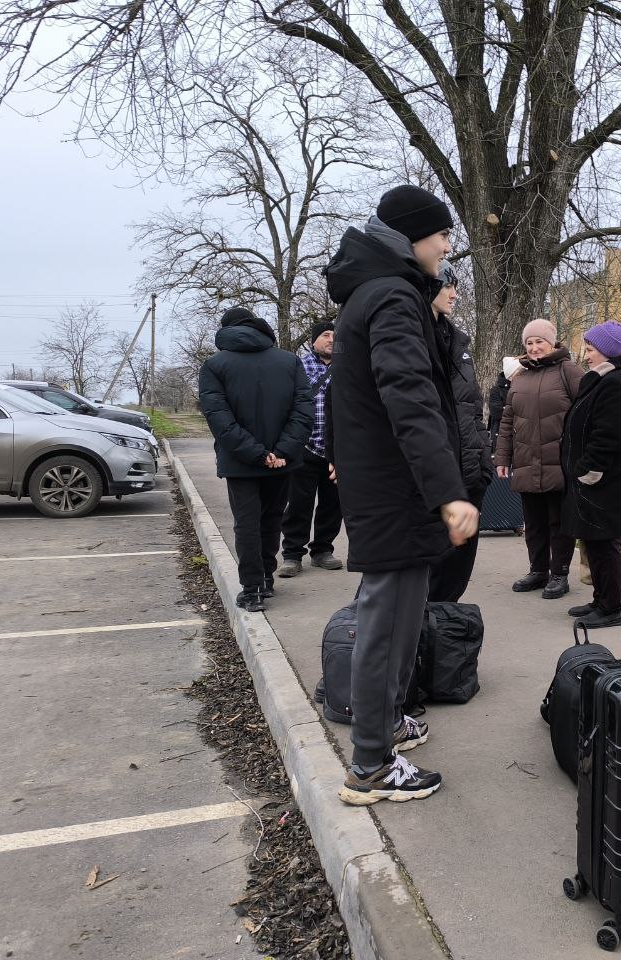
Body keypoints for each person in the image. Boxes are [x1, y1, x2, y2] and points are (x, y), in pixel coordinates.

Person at [324, 184, 479, 806]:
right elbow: (409, 396)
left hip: (386, 483)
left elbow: (354, 395)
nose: (447, 246)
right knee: (387, 623)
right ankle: (369, 766)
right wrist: (449, 492)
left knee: (401, 618)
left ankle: (384, 728)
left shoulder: (382, 292)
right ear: (412, 236)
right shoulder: (391, 295)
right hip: (397, 488)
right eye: (441, 234)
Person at [198, 306, 316, 613]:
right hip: (283, 461)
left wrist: (257, 454)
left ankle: (251, 589)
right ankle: (266, 575)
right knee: (272, 519)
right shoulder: (289, 361)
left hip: (241, 462)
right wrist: (282, 452)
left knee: (246, 524)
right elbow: (304, 411)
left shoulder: (214, 365)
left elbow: (219, 418)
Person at [560, 320, 621, 629]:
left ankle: (610, 607)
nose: (586, 354)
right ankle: (600, 598)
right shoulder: (602, 379)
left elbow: (608, 436)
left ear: (606, 351)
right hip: (596, 478)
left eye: (591, 348)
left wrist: (588, 472)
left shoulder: (616, 383)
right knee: (593, 541)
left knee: (604, 541)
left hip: (606, 480)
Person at [494, 318, 584, 600]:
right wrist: (502, 457)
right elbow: (507, 419)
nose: (534, 348)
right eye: (529, 343)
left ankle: (560, 574)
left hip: (559, 461)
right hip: (526, 459)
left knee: (558, 521)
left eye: (539, 342)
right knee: (533, 522)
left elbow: (585, 412)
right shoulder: (520, 375)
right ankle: (538, 570)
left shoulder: (568, 370)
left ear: (552, 342)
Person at [427, 264, 495, 602]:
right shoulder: (413, 338)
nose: (454, 294)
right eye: (447, 286)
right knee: (426, 571)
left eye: (456, 286)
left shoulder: (459, 344)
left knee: (456, 571)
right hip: (435, 475)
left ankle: (441, 641)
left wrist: (483, 454)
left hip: (470, 474)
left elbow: (472, 407)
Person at [276, 321, 344, 577]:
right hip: (304, 447)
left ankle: (322, 550)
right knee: (298, 504)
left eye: (335, 336)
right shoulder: (298, 367)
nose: (331, 339)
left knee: (332, 504)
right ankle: (292, 554)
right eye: (325, 335)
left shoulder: (348, 367)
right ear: (314, 341)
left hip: (337, 450)